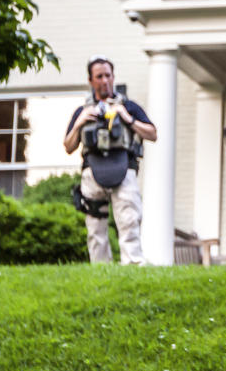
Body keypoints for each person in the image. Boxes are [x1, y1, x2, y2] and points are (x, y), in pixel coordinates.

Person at [64, 56, 157, 264]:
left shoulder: (129, 106)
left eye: (108, 75)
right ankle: (100, 272)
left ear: (113, 77)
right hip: (92, 173)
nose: (104, 80)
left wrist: (128, 118)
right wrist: (80, 122)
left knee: (129, 221)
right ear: (91, 81)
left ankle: (132, 267)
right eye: (99, 76)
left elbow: (152, 134)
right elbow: (68, 146)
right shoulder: (83, 111)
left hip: (124, 170)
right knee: (95, 229)